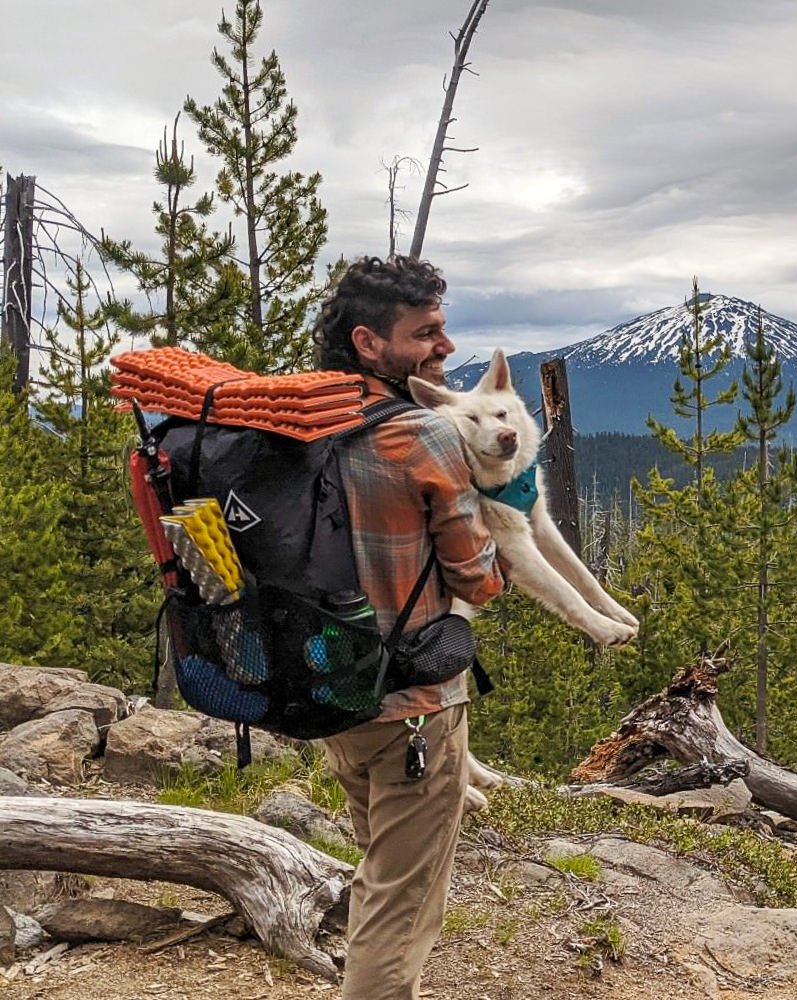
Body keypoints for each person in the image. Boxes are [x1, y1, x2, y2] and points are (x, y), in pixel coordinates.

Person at [312, 255, 506, 1000]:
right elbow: (478, 580)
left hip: (333, 690)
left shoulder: (303, 421)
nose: (445, 349)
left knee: (380, 875)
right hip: (415, 708)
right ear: (368, 342)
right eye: (426, 333)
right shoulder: (422, 436)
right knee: (400, 905)